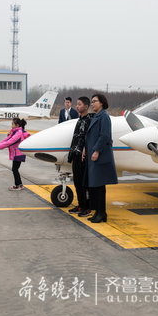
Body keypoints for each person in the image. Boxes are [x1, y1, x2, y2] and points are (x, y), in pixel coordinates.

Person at [84, 94, 118, 223]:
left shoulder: (104, 117)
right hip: (94, 155)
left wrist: (96, 150)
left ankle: (102, 213)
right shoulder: (97, 116)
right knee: (96, 186)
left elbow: (104, 136)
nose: (92, 104)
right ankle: (98, 212)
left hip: (100, 155)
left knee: (99, 186)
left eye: (94, 102)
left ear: (102, 103)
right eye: (92, 102)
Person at [67, 97, 93, 216]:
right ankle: (81, 205)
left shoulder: (89, 120)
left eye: (79, 104)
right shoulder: (79, 119)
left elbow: (87, 138)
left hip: (83, 156)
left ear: (86, 106)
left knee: (84, 182)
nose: (77, 106)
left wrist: (85, 150)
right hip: (76, 154)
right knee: (77, 182)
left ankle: (87, 207)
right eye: (77, 104)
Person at [0, 118, 30, 190]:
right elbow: (8, 139)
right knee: (15, 169)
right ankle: (19, 185)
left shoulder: (18, 133)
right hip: (17, 153)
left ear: (17, 125)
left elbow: (10, 141)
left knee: (15, 169)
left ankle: (18, 186)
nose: (11, 125)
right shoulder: (16, 131)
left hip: (18, 154)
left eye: (12, 124)